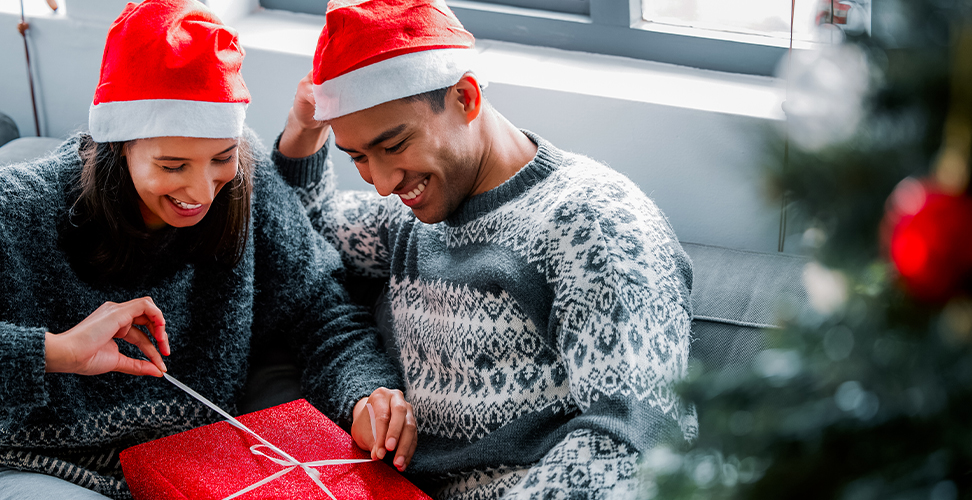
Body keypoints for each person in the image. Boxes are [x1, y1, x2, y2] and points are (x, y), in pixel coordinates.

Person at [274, 0, 698, 497]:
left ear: (465, 97)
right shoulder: (412, 217)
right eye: (359, 157)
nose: (383, 183)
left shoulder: (596, 227)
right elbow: (303, 233)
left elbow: (634, 442)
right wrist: (305, 128)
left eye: (393, 146)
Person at [0, 1, 416, 498]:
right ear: (116, 145)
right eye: (173, 165)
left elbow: (320, 307)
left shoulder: (248, 180)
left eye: (221, 159)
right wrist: (56, 352)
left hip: (200, 460)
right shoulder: (19, 208)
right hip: (41, 464)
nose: (200, 191)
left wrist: (365, 395)